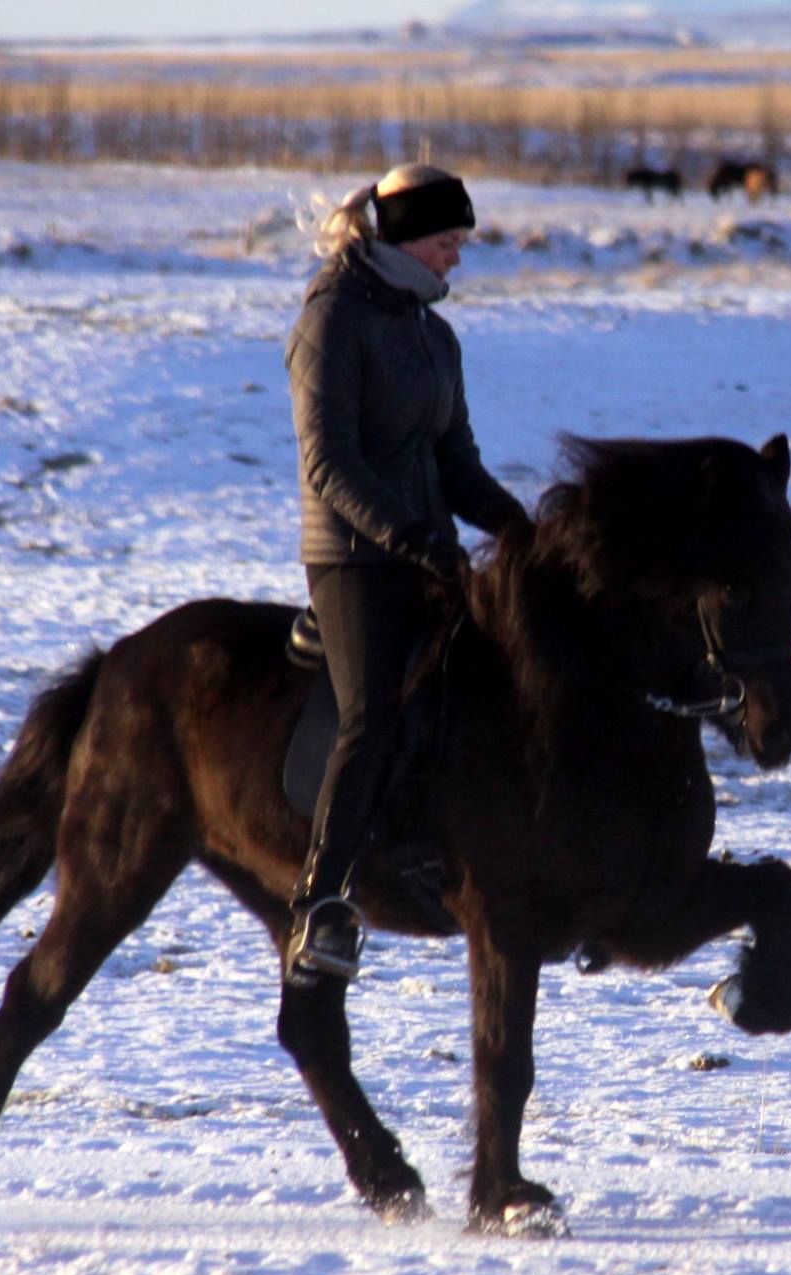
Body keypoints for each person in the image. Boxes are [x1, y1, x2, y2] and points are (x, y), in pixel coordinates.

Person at [282, 162, 530, 986]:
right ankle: (320, 904)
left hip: (423, 546)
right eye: (446, 243)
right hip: (352, 558)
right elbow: (328, 463)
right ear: (400, 237)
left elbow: (457, 462)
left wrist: (524, 530)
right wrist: (406, 534)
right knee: (374, 716)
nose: (456, 259)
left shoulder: (434, 334)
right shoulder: (332, 319)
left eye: (460, 243)